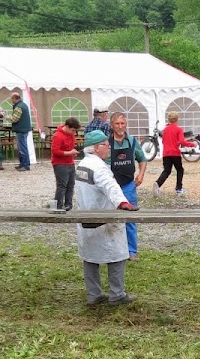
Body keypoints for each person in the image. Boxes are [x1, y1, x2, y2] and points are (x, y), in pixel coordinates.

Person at [75, 129, 138, 306]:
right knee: (117, 254)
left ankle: (93, 294)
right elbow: (110, 186)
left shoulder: (82, 165)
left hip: (86, 216)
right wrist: (122, 202)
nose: (109, 147)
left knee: (90, 257)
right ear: (96, 148)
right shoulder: (99, 168)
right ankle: (117, 294)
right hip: (104, 218)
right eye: (105, 144)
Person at [107, 110, 147, 260]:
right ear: (111, 125)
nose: (120, 126)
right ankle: (113, 249)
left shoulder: (132, 141)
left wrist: (141, 174)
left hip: (128, 185)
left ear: (126, 124)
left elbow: (142, 159)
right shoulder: (106, 143)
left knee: (130, 218)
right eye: (117, 123)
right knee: (110, 218)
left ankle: (132, 251)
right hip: (111, 186)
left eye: (122, 123)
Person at [154, 110, 193, 196]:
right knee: (180, 170)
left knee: (167, 171)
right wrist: (192, 144)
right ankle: (179, 188)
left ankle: (158, 183)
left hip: (166, 153)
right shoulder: (179, 129)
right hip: (175, 153)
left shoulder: (165, 129)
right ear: (177, 119)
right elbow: (182, 141)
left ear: (168, 119)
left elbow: (163, 141)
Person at [51, 117, 82, 210]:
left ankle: (68, 204)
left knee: (71, 185)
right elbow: (55, 151)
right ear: (67, 127)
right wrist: (69, 153)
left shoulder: (71, 135)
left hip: (70, 162)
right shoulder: (57, 136)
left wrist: (72, 153)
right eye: (73, 130)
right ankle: (58, 206)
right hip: (60, 163)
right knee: (62, 186)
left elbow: (69, 149)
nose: (74, 133)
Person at [9, 89, 33, 171]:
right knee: (22, 147)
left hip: (21, 130)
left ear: (14, 98)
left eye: (11, 98)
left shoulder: (18, 107)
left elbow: (14, 119)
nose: (11, 100)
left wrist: (6, 116)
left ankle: (25, 165)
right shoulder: (24, 105)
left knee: (22, 148)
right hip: (24, 129)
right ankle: (23, 164)